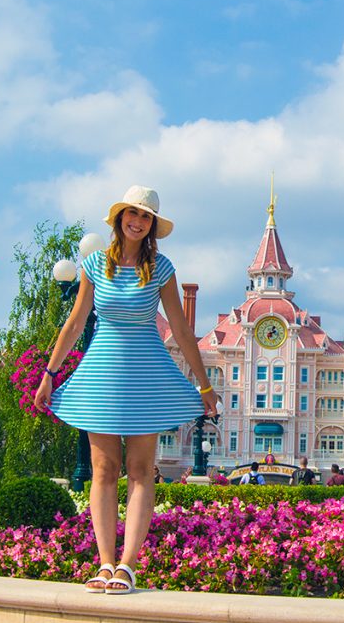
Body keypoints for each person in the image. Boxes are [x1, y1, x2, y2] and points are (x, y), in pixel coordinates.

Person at [34, 185, 219, 596]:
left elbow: (183, 329)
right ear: (119, 218)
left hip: (147, 375)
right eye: (132, 214)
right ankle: (103, 563)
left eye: (146, 216)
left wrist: (203, 383)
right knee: (102, 471)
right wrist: (50, 373)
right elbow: (76, 321)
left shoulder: (161, 267)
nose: (137, 221)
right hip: (101, 373)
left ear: (152, 225)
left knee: (139, 471)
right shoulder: (95, 264)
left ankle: (128, 566)